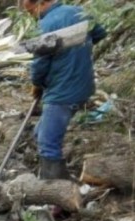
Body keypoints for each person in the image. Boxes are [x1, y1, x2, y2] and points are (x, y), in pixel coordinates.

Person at [20, 0, 105, 179]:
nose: (33, 16)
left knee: (48, 144)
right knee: (40, 132)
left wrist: (36, 84)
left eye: (30, 12)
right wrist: (79, 52)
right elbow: (99, 33)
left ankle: (58, 197)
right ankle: (58, 175)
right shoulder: (79, 11)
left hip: (62, 91)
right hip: (84, 84)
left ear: (39, 4)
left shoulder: (46, 25)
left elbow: (40, 64)